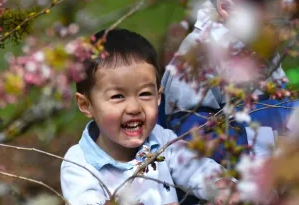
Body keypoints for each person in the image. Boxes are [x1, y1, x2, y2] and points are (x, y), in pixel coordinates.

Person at [161, 0, 299, 161]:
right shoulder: (198, 60)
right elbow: (191, 141)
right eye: (278, 23)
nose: (287, 33)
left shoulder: (259, 48)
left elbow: (279, 108)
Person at [60, 29, 239, 205]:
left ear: (158, 97)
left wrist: (220, 186)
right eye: (117, 96)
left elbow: (196, 168)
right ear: (86, 105)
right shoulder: (80, 165)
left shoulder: (161, 141)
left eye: (145, 94)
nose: (134, 108)